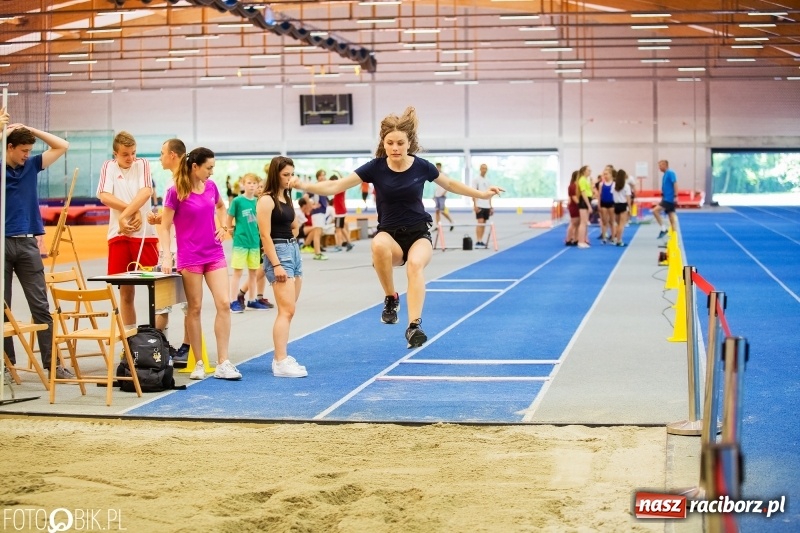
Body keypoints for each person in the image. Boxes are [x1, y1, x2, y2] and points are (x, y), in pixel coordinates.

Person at [289, 107, 503, 348]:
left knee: (414, 266)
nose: (395, 148)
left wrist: (482, 195)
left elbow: (451, 184)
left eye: (400, 143)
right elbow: (335, 186)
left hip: (418, 233)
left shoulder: (422, 166)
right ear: (384, 143)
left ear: (409, 142)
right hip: (389, 234)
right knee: (378, 244)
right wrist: (303, 184)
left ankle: (414, 326)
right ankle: (391, 297)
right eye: (390, 143)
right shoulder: (375, 168)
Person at [158, 147, 242, 381]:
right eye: (209, 168)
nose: (212, 173)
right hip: (190, 257)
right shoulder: (175, 192)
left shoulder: (212, 188)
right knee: (194, 309)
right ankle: (199, 362)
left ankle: (223, 362)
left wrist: (223, 227)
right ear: (195, 167)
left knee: (224, 303)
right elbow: (164, 226)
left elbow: (221, 207)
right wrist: (166, 255)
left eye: (213, 168)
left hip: (214, 253)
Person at [2, 111, 74, 380]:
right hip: (2, 245)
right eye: (22, 150)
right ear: (9, 147)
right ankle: (7, 367)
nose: (26, 154)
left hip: (28, 244)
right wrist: (5, 133)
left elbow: (62, 146)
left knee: (41, 307)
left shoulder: (32, 166)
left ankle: (53, 365)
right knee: (3, 307)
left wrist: (30, 129)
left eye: (29, 150)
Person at [96, 131, 160, 329]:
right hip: (119, 234)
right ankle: (130, 342)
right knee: (126, 292)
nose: (131, 158)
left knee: (158, 290)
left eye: (133, 152)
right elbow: (104, 196)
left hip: (145, 236)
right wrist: (130, 213)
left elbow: (146, 192)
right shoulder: (108, 166)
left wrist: (127, 215)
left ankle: (158, 340)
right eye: (125, 154)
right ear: (115, 153)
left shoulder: (142, 164)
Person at [256, 156, 308, 378]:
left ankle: (281, 356)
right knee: (286, 311)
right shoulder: (266, 200)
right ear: (275, 174)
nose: (289, 178)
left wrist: (292, 242)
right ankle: (280, 360)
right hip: (279, 253)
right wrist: (276, 263)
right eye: (285, 175)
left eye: (291, 174)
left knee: (290, 310)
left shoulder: (286, 197)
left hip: (292, 251)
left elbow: (295, 225)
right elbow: (265, 235)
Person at [147, 138, 191, 366]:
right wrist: (161, 218)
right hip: (171, 250)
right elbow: (173, 218)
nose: (160, 157)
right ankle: (161, 346)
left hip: (178, 252)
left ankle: (182, 348)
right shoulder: (173, 183)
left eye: (162, 152)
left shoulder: (180, 183)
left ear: (173, 155)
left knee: (186, 306)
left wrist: (166, 253)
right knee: (165, 304)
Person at [227, 173, 269, 312]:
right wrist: (230, 229)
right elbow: (229, 217)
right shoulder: (238, 201)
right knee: (237, 272)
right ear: (243, 184)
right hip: (241, 242)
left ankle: (252, 300)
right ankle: (233, 301)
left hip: (254, 242)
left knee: (253, 273)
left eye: (254, 183)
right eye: (249, 183)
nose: (251, 185)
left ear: (258, 186)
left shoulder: (258, 202)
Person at [653, 159, 678, 239]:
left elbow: (675, 183)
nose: (659, 167)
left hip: (669, 199)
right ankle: (674, 238)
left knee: (655, 211)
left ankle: (663, 229)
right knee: (671, 218)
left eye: (660, 165)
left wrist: (675, 196)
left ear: (665, 165)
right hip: (666, 198)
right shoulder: (665, 174)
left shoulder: (670, 173)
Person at [330, 175, 354, 252]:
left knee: (338, 229)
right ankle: (349, 243)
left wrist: (339, 174)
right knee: (341, 228)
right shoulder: (337, 189)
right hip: (340, 211)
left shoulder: (340, 188)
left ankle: (339, 246)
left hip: (339, 212)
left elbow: (344, 180)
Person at [472, 163, 493, 247]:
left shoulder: (488, 181)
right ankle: (478, 240)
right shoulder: (476, 180)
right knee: (480, 222)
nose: (484, 170)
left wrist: (491, 206)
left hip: (486, 205)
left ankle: (481, 240)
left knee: (484, 222)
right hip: (479, 204)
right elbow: (473, 193)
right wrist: (475, 205)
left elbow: (490, 194)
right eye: (483, 168)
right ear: (480, 169)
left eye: (485, 169)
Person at [612, 168, 632, 247]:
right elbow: (628, 198)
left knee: (617, 223)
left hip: (616, 205)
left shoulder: (614, 185)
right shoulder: (626, 186)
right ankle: (619, 240)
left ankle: (616, 238)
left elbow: (612, 194)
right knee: (621, 224)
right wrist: (629, 208)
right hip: (623, 205)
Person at [433, 162, 454, 231]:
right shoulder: (435, 175)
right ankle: (437, 226)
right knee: (437, 211)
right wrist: (434, 195)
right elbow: (437, 187)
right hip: (437, 195)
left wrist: (444, 192)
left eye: (438, 167)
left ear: (440, 167)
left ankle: (451, 222)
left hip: (442, 195)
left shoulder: (444, 175)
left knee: (442, 211)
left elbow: (449, 184)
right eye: (436, 167)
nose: (437, 168)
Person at [576, 165, 593, 249]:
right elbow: (583, 193)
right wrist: (589, 205)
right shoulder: (582, 180)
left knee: (585, 222)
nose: (590, 171)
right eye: (588, 170)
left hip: (587, 200)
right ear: (584, 171)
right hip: (584, 201)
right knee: (583, 222)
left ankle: (583, 240)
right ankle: (580, 241)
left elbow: (589, 191)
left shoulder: (586, 180)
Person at [598, 165, 616, 244]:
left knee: (612, 221)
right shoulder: (601, 184)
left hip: (611, 203)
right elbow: (599, 195)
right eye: (604, 174)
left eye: (607, 174)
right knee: (604, 221)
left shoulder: (614, 184)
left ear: (611, 174)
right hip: (604, 204)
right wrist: (599, 204)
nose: (605, 176)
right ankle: (604, 238)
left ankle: (613, 237)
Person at [564, 170, 579, 246]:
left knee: (577, 224)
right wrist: (580, 204)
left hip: (575, 206)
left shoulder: (576, 185)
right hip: (574, 206)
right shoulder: (573, 186)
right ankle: (568, 239)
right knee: (573, 223)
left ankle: (576, 239)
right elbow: (573, 197)